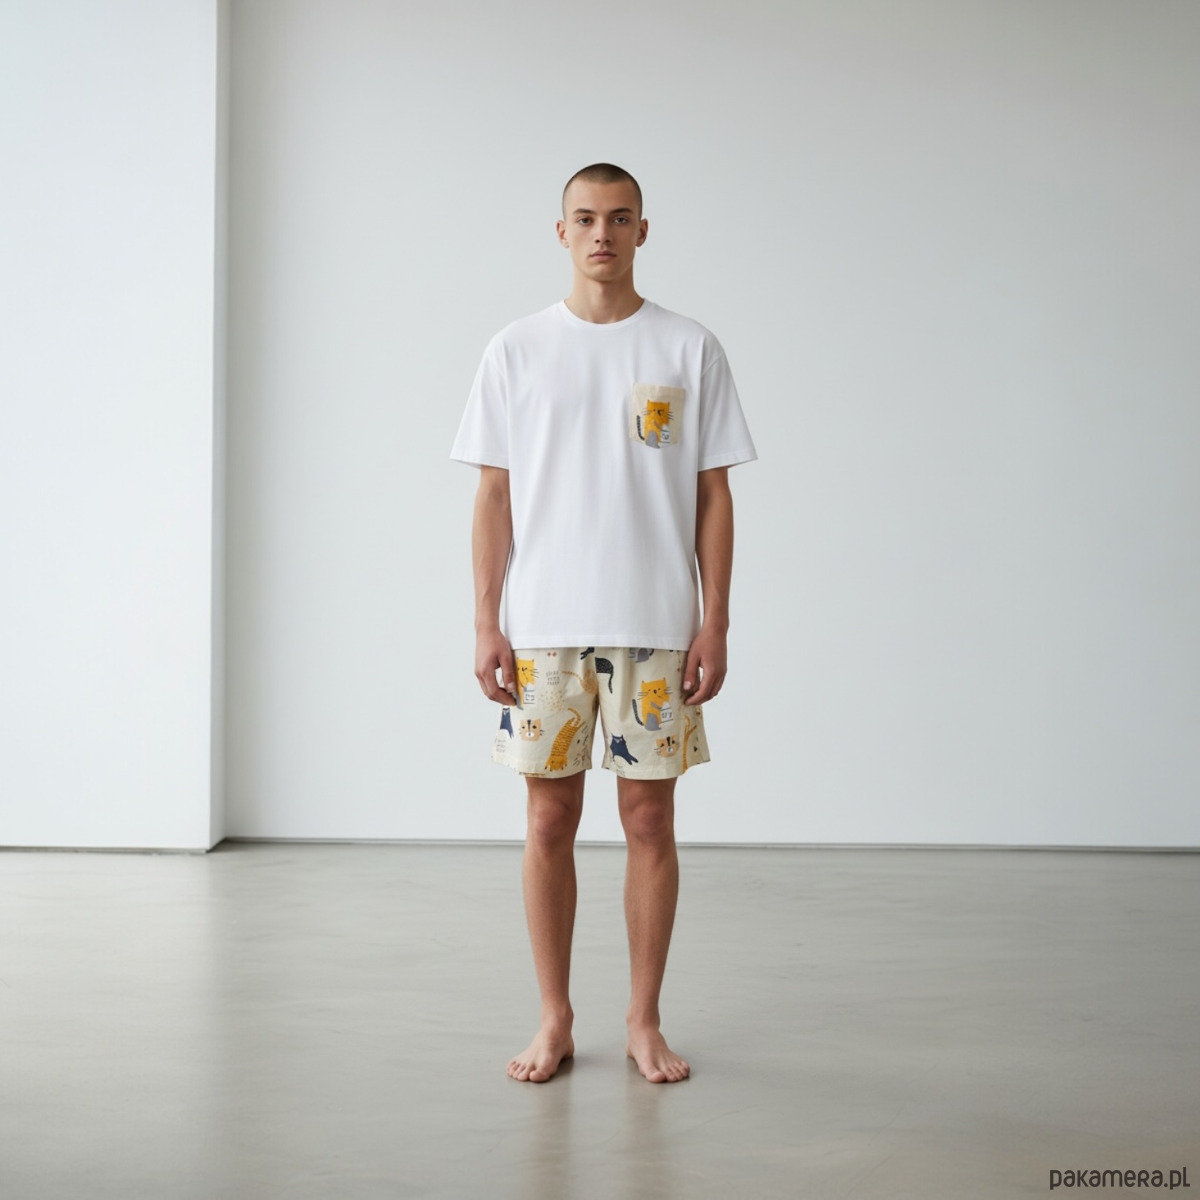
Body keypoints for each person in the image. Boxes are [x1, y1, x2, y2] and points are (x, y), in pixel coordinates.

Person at [450, 163, 756, 1084]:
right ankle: (554, 1018)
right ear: (561, 231)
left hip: (655, 623)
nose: (602, 235)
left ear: (642, 231)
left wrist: (715, 620)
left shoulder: (688, 347)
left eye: (620, 219)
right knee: (548, 818)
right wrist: (486, 621)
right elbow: (493, 496)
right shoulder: (516, 349)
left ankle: (643, 1019)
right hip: (544, 626)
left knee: (649, 820)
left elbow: (713, 495)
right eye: (585, 218)